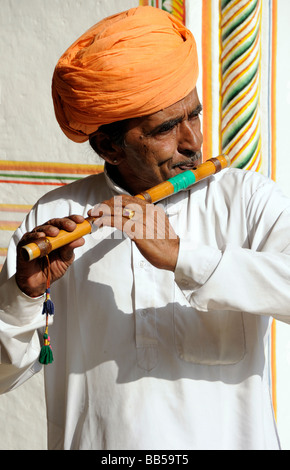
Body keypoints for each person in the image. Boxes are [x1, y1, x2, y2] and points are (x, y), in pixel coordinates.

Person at [0, 5, 290, 451]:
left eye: (194, 115)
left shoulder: (245, 198)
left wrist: (183, 257)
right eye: (167, 128)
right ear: (108, 147)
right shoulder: (52, 215)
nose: (193, 141)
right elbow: (3, 375)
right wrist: (23, 296)